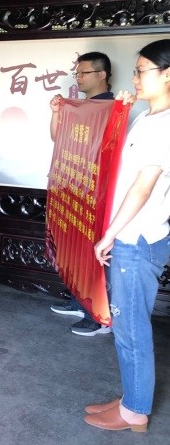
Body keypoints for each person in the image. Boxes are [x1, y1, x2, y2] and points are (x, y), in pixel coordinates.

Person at [84, 39, 170, 433]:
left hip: (136, 240)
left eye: (141, 71)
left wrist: (110, 235)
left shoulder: (166, 125)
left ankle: (135, 411)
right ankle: (131, 398)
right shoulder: (149, 117)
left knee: (131, 329)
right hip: (134, 236)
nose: (134, 77)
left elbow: (142, 188)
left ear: (167, 75)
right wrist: (123, 111)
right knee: (127, 325)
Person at [49, 51, 114, 336]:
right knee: (76, 250)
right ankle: (79, 301)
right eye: (77, 73)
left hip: (95, 193)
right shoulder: (80, 107)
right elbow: (57, 138)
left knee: (93, 254)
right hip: (74, 189)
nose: (78, 78)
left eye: (83, 73)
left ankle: (97, 316)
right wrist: (56, 113)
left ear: (102, 75)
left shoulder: (112, 108)